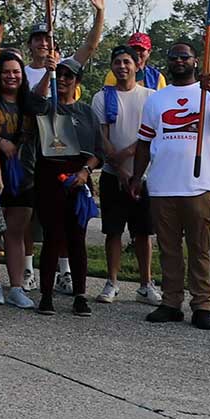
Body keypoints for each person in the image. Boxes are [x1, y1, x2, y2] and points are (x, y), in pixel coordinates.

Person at [137, 41, 210, 330]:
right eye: (174, 57)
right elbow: (144, 142)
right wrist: (135, 177)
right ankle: (171, 302)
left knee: (199, 248)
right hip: (162, 185)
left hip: (199, 185)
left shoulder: (209, 93)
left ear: (196, 61)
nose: (179, 61)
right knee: (169, 249)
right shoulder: (157, 99)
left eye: (185, 56)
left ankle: (202, 304)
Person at [27, 57, 103, 315]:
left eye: (68, 76)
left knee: (76, 239)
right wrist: (47, 72)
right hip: (49, 177)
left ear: (77, 81)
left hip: (78, 178)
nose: (62, 80)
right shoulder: (45, 107)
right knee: (52, 237)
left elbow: (97, 152)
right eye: (59, 75)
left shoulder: (86, 112)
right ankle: (46, 294)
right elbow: (33, 99)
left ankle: (80, 295)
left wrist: (85, 171)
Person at [94, 45, 157, 303]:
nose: (122, 66)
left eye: (127, 62)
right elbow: (102, 137)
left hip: (143, 177)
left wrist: (131, 156)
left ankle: (146, 284)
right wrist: (118, 166)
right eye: (117, 62)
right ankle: (112, 282)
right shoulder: (102, 97)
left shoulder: (151, 97)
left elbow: (152, 135)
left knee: (143, 232)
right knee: (113, 231)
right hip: (112, 175)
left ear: (137, 65)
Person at [0, 49, 45, 310]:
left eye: (16, 72)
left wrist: (51, 70)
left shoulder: (29, 104)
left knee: (17, 233)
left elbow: (46, 95)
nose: (11, 76)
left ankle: (17, 286)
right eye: (6, 72)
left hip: (24, 176)